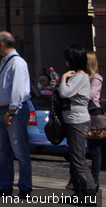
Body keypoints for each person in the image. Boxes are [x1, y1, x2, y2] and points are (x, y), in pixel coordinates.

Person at [0, 31, 32, 197]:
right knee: (4, 150)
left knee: (20, 151)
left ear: (1, 44)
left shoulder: (17, 63)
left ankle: (25, 188)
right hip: (4, 109)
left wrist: (11, 111)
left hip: (14, 111)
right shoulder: (6, 62)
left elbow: (17, 90)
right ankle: (5, 186)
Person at [53, 45, 96, 196]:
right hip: (72, 120)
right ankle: (78, 193)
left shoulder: (80, 76)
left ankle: (89, 194)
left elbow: (65, 92)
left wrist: (63, 78)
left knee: (79, 160)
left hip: (77, 121)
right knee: (75, 159)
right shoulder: (77, 76)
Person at [87, 50, 104, 190]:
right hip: (84, 114)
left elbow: (91, 95)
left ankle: (95, 177)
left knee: (95, 149)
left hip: (94, 115)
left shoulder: (96, 78)